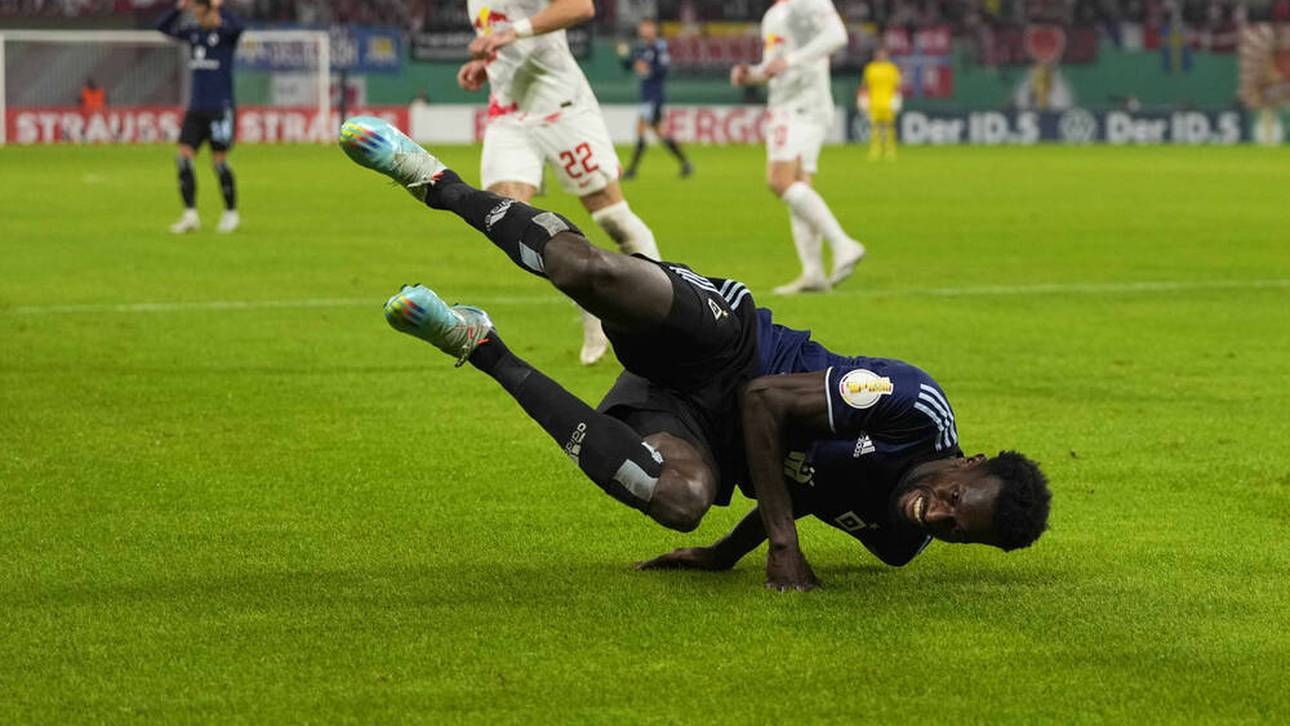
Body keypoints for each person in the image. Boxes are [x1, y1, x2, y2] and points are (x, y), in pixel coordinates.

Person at [338, 116, 1053, 591]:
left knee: (680, 501)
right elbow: (764, 400)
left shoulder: (899, 541)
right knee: (593, 272)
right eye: (959, 499)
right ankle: (436, 182)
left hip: (694, 426)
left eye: (958, 533)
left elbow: (809, 492)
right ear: (971, 460)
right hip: (733, 345)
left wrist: (724, 551)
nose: (940, 516)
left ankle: (477, 343)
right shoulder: (914, 407)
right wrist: (778, 545)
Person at [456, 0, 662, 366]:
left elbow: (580, 7)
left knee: (612, 217)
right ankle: (591, 303)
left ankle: (669, 316)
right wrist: (486, 66)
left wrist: (509, 34)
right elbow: (507, 42)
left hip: (562, 108)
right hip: (510, 116)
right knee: (511, 222)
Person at [731, 0, 866, 296]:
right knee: (798, 186)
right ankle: (813, 273)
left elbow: (837, 36)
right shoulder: (773, 14)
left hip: (802, 107)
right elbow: (775, 66)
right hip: (790, 104)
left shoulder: (809, 1)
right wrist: (751, 74)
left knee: (779, 181)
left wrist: (791, 61)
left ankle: (843, 243)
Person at [157, 0, 243, 234]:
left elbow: (239, 27)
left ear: (211, 12)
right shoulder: (194, 34)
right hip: (195, 109)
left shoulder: (225, 35)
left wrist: (220, 6)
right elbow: (162, 27)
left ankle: (231, 213)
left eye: (200, 11)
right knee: (183, 158)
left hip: (219, 109)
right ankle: (190, 215)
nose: (196, 16)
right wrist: (179, 8)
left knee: (219, 162)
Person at [617, 18, 693, 179]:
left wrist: (648, 68)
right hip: (646, 96)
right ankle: (685, 163)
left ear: (654, 29)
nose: (645, 30)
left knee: (641, 129)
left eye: (648, 27)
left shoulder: (659, 47)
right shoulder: (640, 48)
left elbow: (664, 69)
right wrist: (623, 55)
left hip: (654, 96)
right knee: (660, 133)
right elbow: (630, 65)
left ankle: (632, 170)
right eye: (643, 27)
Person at [858, 47, 902, 160]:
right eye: (879, 54)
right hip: (874, 102)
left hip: (887, 102)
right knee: (874, 127)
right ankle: (875, 149)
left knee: (889, 127)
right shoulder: (870, 68)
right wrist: (862, 99)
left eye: (883, 54)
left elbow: (897, 86)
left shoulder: (891, 68)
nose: (881, 56)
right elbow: (865, 85)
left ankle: (890, 149)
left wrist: (897, 99)